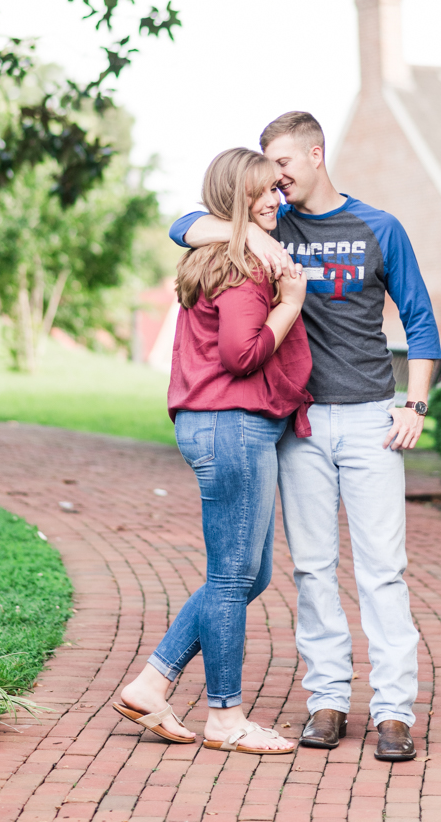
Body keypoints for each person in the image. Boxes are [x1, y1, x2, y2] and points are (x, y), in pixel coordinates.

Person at [170, 111, 441, 762]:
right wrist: (260, 241)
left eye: (285, 164)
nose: (277, 178)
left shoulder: (378, 226)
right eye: (268, 169)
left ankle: (395, 710)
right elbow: (186, 225)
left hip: (373, 417)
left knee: (383, 569)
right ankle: (327, 700)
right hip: (302, 422)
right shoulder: (275, 224)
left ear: (317, 154)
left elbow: (421, 319)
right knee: (313, 567)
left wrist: (417, 403)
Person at [115, 147, 313, 755]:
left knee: (247, 575)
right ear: (238, 200)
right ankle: (226, 717)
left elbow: (186, 226)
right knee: (233, 577)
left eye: (277, 190)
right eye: (263, 193)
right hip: (232, 424)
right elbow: (243, 354)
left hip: (216, 423)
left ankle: (153, 683)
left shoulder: (218, 255)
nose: (276, 200)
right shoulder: (245, 267)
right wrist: (289, 306)